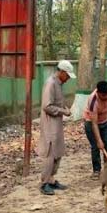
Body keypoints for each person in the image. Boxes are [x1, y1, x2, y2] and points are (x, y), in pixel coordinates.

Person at [37, 60, 74, 195]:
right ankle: (44, 182)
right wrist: (63, 111)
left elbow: (56, 102)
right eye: (68, 75)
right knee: (51, 153)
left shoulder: (58, 83)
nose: (69, 78)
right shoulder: (51, 83)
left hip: (56, 122)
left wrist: (64, 108)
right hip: (49, 123)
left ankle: (51, 180)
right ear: (62, 72)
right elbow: (46, 106)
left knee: (58, 151)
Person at [84, 80, 107, 178]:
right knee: (96, 147)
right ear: (98, 93)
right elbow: (94, 124)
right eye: (103, 96)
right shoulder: (93, 101)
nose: (105, 98)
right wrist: (99, 140)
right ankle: (96, 170)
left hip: (105, 122)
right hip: (91, 124)